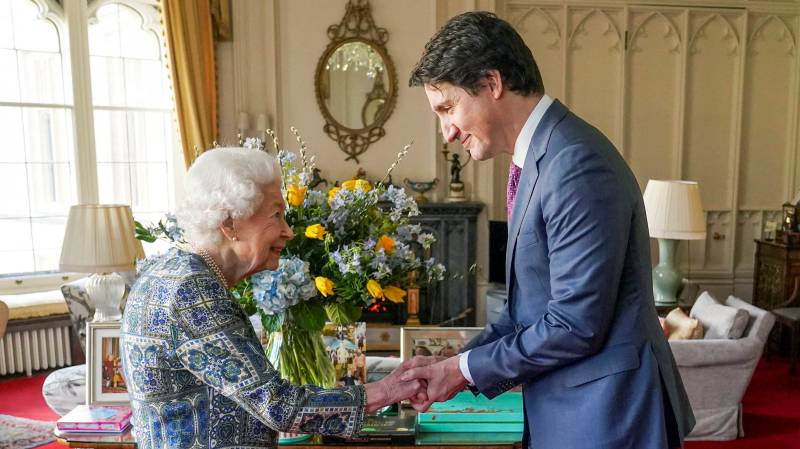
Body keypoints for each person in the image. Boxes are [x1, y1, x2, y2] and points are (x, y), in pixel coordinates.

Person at [401, 12, 695, 449]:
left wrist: (462, 371)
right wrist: (461, 361)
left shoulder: (576, 163)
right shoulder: (540, 156)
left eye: (448, 108)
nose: (446, 132)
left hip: (610, 418)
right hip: (575, 411)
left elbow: (575, 324)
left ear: (492, 83)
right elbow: (528, 313)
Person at [120, 147, 425, 449]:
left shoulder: (168, 272)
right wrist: (384, 391)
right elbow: (277, 404)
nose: (289, 231)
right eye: (277, 215)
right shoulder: (192, 290)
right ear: (230, 224)